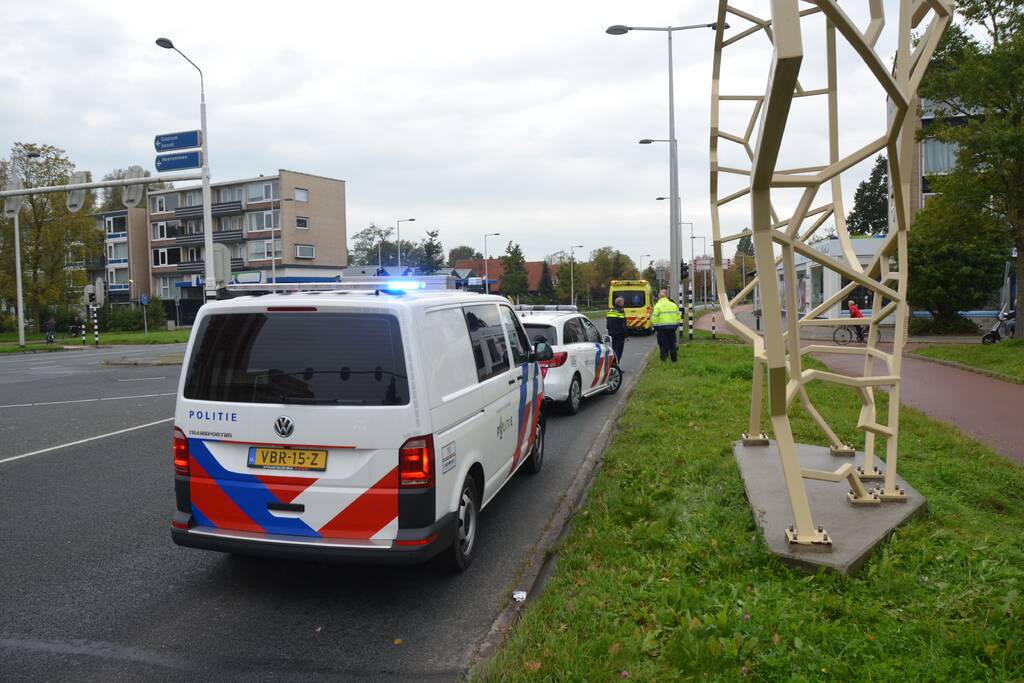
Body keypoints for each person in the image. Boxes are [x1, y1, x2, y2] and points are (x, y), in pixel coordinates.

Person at [651, 289, 682, 362]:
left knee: (663, 344)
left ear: (659, 298)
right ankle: (674, 360)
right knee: (672, 344)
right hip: (672, 328)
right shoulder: (673, 305)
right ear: (667, 297)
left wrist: (656, 327)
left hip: (661, 329)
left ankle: (664, 360)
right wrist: (676, 326)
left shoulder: (657, 305)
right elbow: (678, 317)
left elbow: (654, 318)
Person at [606, 296, 627, 366]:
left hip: (612, 333)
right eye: (623, 302)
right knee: (619, 351)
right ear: (620, 303)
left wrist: (609, 331)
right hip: (620, 334)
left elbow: (608, 323)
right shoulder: (620, 311)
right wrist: (626, 335)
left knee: (614, 350)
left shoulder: (610, 311)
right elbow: (623, 324)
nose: (624, 303)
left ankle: (613, 365)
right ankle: (616, 366)